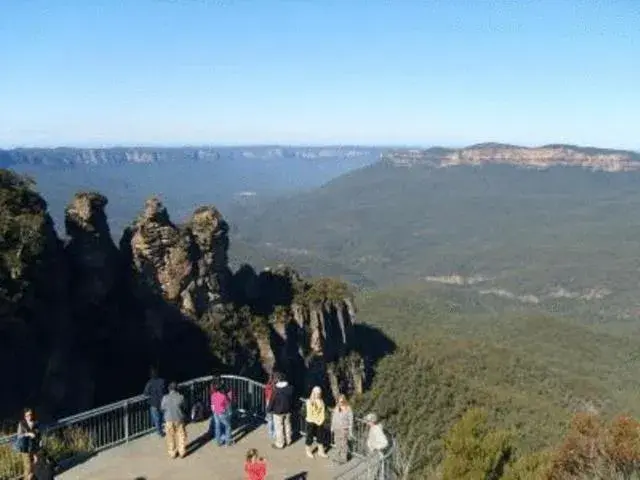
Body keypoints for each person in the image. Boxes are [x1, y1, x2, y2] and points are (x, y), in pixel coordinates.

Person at [160, 382, 187, 458]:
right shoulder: (181, 397)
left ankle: (172, 453)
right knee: (181, 435)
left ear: (169, 389)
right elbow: (184, 407)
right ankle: (182, 452)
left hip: (168, 419)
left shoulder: (165, 397)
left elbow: (162, 408)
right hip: (179, 418)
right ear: (177, 389)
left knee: (170, 437)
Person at [267, 371, 293, 449]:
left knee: (279, 428)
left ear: (278, 379)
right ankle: (289, 440)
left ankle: (280, 443)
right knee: (288, 425)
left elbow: (272, 401)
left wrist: (269, 409)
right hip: (288, 410)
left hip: (278, 412)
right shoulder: (290, 388)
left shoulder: (276, 390)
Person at [16, 408, 41, 480]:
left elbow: (38, 435)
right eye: (27, 415)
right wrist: (28, 434)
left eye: (30, 415)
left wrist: (40, 442)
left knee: (35, 463)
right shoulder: (22, 424)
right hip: (25, 448)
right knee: (28, 466)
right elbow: (19, 435)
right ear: (25, 416)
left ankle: (31, 477)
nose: (29, 416)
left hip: (34, 447)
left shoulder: (35, 423)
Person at [304, 386, 328, 459]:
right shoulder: (309, 401)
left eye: (319, 393)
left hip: (319, 422)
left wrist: (321, 420)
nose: (318, 394)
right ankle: (308, 450)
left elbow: (322, 412)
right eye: (317, 393)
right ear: (313, 393)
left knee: (320, 437)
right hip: (311, 421)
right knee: (309, 436)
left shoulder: (321, 401)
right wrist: (316, 420)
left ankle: (320, 451)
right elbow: (310, 413)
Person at [364, 412, 389, 480]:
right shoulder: (373, 428)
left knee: (375, 473)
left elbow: (385, 443)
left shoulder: (376, 429)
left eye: (368, 421)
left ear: (372, 421)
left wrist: (376, 447)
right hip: (373, 454)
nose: (366, 422)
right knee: (371, 472)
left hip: (376, 455)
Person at [330, 394, 354, 464]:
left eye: (342, 401)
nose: (340, 403)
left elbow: (351, 420)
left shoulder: (348, 409)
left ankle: (344, 458)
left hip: (344, 429)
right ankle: (338, 457)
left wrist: (350, 430)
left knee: (344, 444)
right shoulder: (336, 407)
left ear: (344, 401)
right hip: (336, 428)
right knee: (337, 443)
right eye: (339, 401)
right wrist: (332, 427)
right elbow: (333, 418)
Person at [210, 379, 234, 446]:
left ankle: (218, 442)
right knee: (228, 426)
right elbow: (227, 405)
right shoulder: (223, 396)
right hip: (222, 413)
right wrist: (229, 413)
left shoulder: (213, 395)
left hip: (215, 412)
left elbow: (212, 405)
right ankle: (228, 441)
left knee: (217, 426)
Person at [143, 367, 166, 437]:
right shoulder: (162, 381)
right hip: (162, 402)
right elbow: (165, 390)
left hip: (154, 404)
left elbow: (145, 393)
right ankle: (163, 428)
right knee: (162, 417)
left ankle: (160, 432)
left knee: (156, 418)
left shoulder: (149, 383)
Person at [264, 373, 276, 441]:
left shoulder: (267, 385)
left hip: (268, 401)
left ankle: (270, 432)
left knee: (270, 419)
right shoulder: (274, 387)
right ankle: (273, 432)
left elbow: (266, 393)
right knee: (273, 418)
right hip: (273, 402)